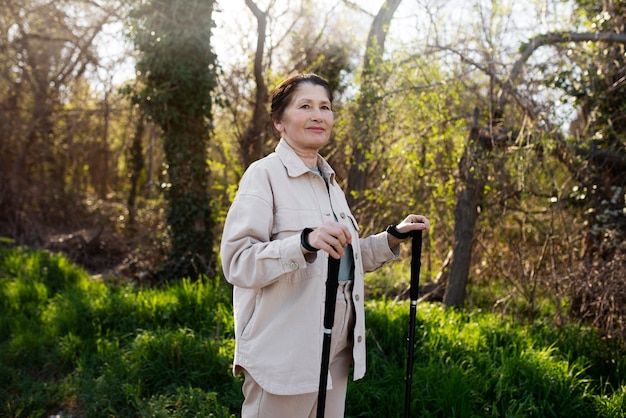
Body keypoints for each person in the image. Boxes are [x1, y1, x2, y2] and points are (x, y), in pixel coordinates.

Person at [220, 73, 430, 417]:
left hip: (336, 350)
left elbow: (342, 259)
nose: (318, 115)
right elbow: (238, 262)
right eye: (305, 106)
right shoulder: (264, 175)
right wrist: (301, 243)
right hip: (285, 352)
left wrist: (393, 237)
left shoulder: (331, 183)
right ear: (279, 122)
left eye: (325, 107)